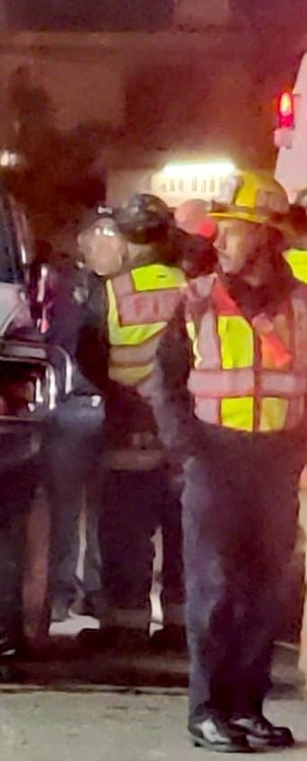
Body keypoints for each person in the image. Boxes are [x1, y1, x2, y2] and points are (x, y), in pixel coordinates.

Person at [146, 171, 307, 751]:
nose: (221, 241)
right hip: (215, 457)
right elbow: (162, 383)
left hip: (277, 461)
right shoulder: (194, 301)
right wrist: (188, 450)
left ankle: (247, 707)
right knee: (214, 590)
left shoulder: (302, 304)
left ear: (266, 239)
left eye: (235, 231)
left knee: (266, 593)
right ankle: (207, 710)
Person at [76, 194, 187, 650]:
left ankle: (126, 624)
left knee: (126, 529)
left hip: (129, 425)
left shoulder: (112, 293)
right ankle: (181, 626)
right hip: (185, 428)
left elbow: (89, 353)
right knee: (182, 529)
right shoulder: (193, 287)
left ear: (126, 241)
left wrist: (116, 393)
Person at [41, 221, 106, 623]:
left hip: (67, 408)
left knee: (65, 509)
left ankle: (61, 591)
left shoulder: (61, 295)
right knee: (89, 509)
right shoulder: (99, 292)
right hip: (88, 407)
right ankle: (80, 592)